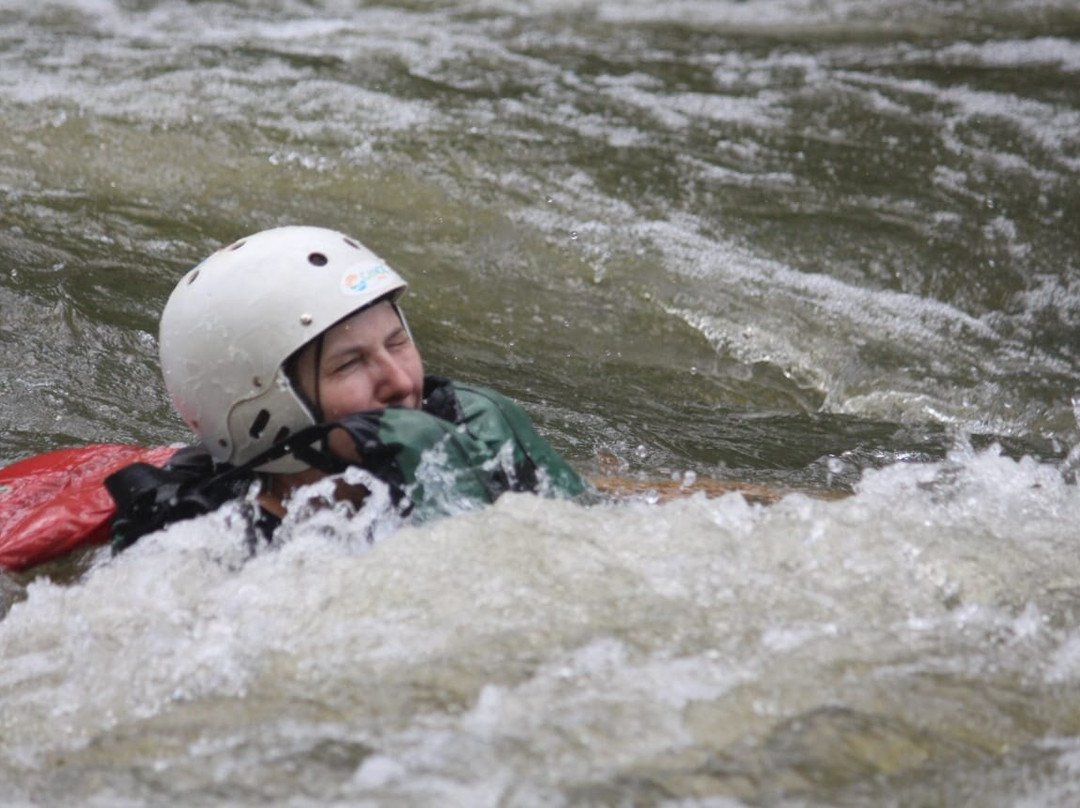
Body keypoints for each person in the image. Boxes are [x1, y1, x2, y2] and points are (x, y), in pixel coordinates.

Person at [106, 225, 588, 552]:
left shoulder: (459, 454)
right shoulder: (226, 556)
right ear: (262, 408)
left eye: (397, 343)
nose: (400, 383)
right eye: (350, 364)